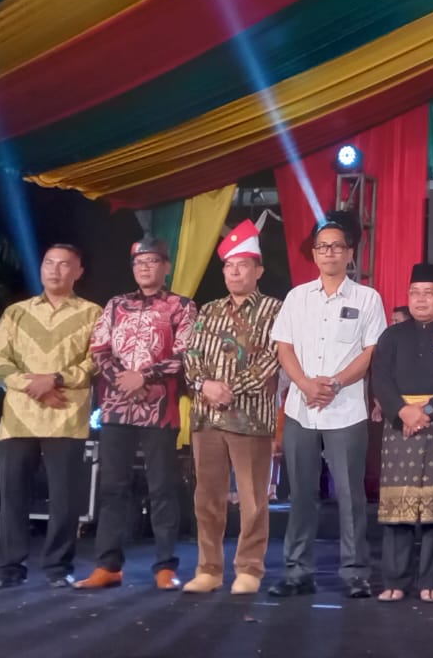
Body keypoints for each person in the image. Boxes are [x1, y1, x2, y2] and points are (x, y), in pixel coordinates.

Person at [267, 210, 386, 599]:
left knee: (350, 496)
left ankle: (355, 572)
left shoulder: (368, 298)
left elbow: (371, 351)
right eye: (322, 247)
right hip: (301, 409)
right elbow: (284, 346)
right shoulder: (297, 297)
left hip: (346, 409)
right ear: (314, 254)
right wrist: (304, 384)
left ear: (350, 253)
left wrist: (334, 383)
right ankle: (297, 571)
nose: (329, 253)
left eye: (337, 247)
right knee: (301, 494)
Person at [77, 236, 196, 590]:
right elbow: (99, 349)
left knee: (162, 488)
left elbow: (186, 353)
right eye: (139, 263)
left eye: (152, 261)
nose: (145, 267)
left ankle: (165, 567)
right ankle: (108, 565)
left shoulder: (182, 306)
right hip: (116, 408)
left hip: (160, 409)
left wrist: (143, 377)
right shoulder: (116, 305)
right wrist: (122, 380)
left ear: (166, 267)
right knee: (112, 488)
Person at [0, 244, 101, 589]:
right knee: (13, 496)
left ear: (78, 272)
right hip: (18, 419)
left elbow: (97, 361)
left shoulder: (93, 313)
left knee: (65, 499)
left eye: (64, 265)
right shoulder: (16, 313)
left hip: (65, 416)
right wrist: (32, 384)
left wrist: (56, 379)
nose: (55, 270)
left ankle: (58, 567)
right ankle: (11, 567)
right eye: (49, 263)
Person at [181, 220, 283, 595]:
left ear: (259, 271)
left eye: (243, 265)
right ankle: (208, 569)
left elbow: (273, 357)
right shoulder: (208, 310)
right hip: (206, 416)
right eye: (229, 266)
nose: (235, 272)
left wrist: (231, 389)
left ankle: (249, 569)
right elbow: (191, 355)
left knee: (253, 500)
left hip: (251, 417)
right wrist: (204, 385)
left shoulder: (275, 309)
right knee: (207, 498)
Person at [371, 263, 433, 603]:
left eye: (428, 293)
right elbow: (380, 379)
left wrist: (427, 412)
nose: (420, 299)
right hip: (401, 424)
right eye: (415, 293)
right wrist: (403, 411)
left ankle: (431, 582)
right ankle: (395, 582)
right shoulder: (391, 336)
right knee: (397, 508)